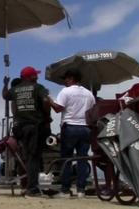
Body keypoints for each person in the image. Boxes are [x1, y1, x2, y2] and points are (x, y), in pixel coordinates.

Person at [2, 66, 51, 197]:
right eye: (35, 75)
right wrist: (46, 114)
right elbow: (46, 100)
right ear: (30, 77)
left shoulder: (15, 89)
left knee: (28, 157)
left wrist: (5, 84)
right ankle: (32, 189)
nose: (37, 77)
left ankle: (29, 186)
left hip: (19, 128)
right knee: (33, 158)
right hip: (34, 127)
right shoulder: (38, 88)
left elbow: (5, 95)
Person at [48, 68, 96, 198]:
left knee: (66, 159)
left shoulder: (66, 91)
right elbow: (92, 112)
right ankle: (81, 190)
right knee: (82, 159)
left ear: (71, 78)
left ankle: (65, 190)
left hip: (70, 127)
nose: (64, 81)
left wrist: (50, 101)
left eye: (66, 78)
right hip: (86, 128)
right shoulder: (88, 93)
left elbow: (58, 109)